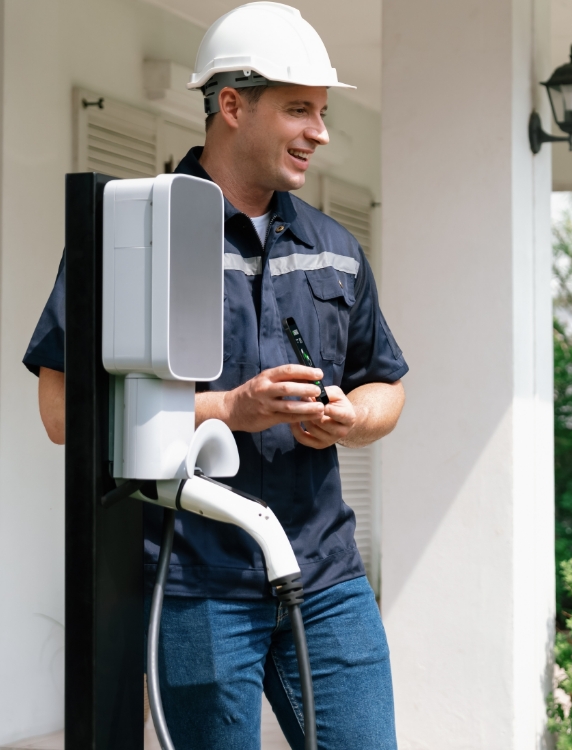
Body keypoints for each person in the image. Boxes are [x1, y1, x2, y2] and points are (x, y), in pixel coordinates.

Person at [27, 4, 405, 747]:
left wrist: (351, 419)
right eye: (300, 109)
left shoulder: (336, 250)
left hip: (327, 581)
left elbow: (386, 387)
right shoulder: (128, 236)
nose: (320, 133)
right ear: (231, 105)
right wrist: (227, 408)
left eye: (322, 112)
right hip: (196, 591)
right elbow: (62, 413)